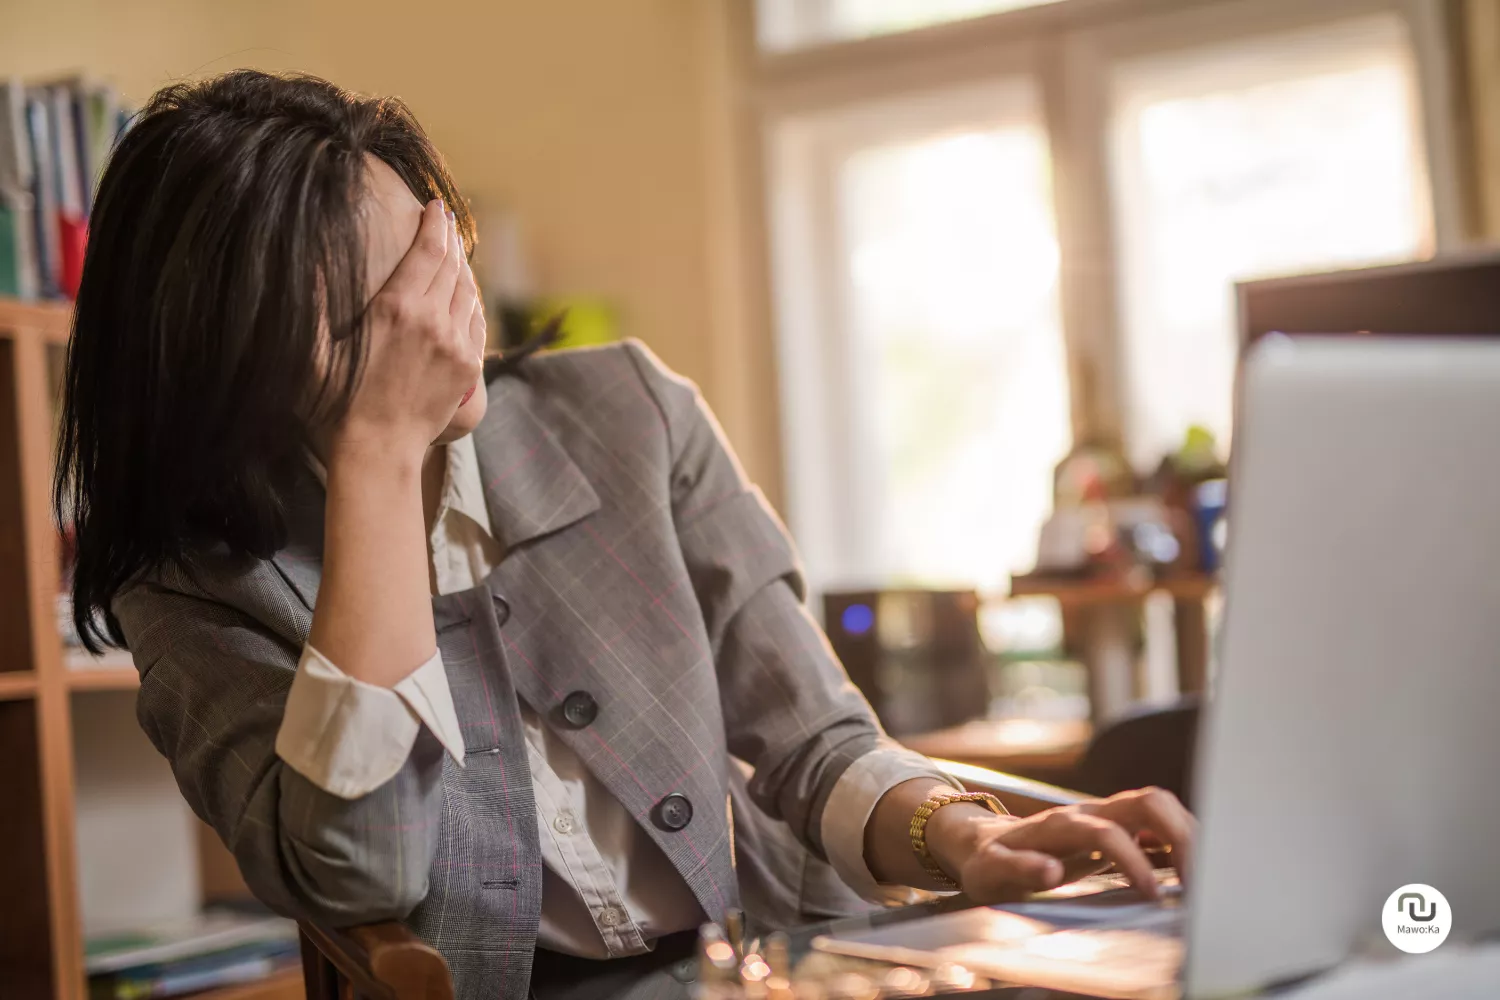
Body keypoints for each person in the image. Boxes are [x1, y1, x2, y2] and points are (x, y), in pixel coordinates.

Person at [57, 70, 1194, 1000]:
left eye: (438, 252)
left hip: (789, 959)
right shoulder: (195, 591)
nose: (446, 315)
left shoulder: (627, 413)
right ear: (236, 346)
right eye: (387, 303)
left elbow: (817, 745)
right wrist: (377, 459)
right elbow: (363, 867)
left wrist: (964, 837)